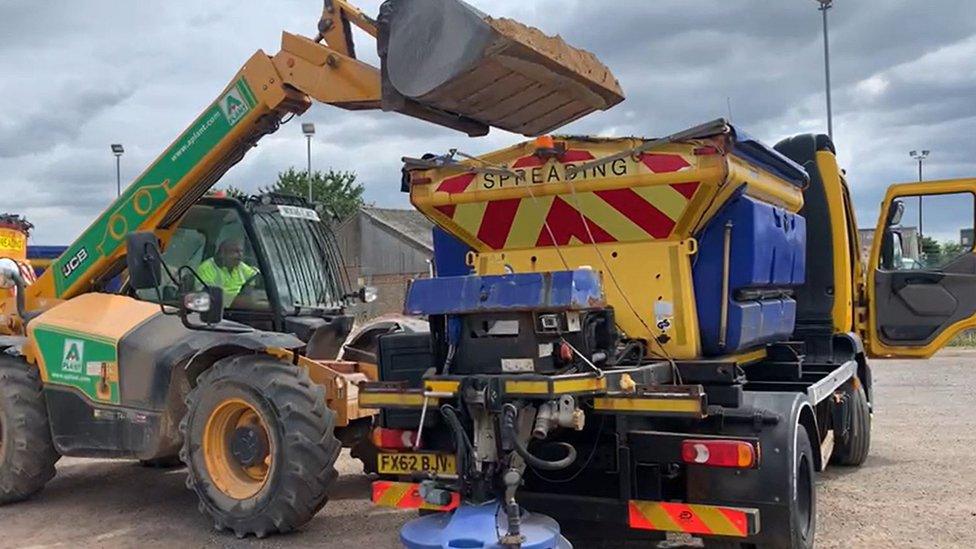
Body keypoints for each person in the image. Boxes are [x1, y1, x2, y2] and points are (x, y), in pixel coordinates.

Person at [197, 238, 259, 305]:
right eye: (235, 251)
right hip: (218, 310)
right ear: (223, 253)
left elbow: (255, 276)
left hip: (241, 308)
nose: (240, 255)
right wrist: (238, 299)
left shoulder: (240, 266)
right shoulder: (207, 268)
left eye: (241, 251)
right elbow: (206, 296)